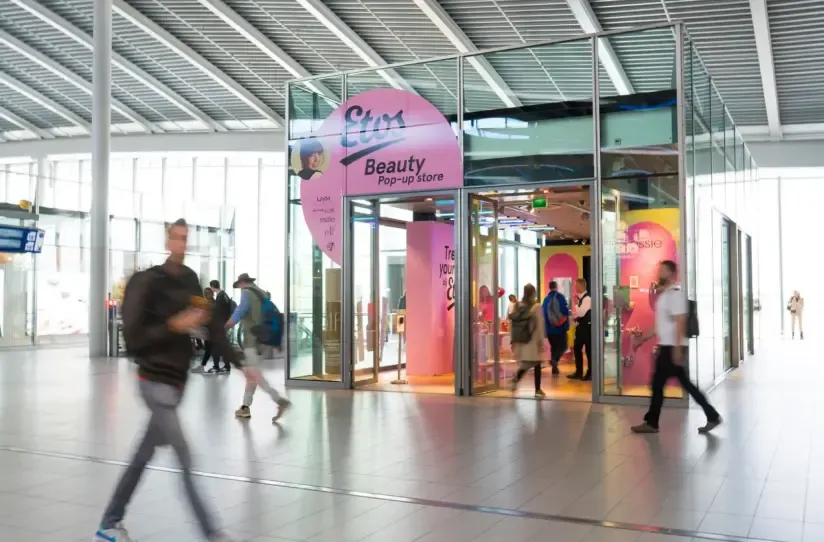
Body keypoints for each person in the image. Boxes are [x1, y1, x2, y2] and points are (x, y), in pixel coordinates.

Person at [94, 219, 241, 542]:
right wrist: (174, 325)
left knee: (143, 455)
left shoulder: (189, 280)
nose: (181, 243)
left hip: (176, 383)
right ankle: (212, 533)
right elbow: (135, 339)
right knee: (184, 453)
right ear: (166, 241)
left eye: (185, 238)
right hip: (154, 381)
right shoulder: (149, 282)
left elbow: (213, 326)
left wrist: (242, 364)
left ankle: (108, 524)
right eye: (176, 237)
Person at [631, 260, 721, 435]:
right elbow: (660, 325)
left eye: (663, 270)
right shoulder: (665, 296)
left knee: (659, 384)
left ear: (672, 273)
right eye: (659, 269)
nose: (659, 272)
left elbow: (680, 321)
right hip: (668, 346)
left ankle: (652, 422)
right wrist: (643, 338)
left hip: (672, 347)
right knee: (680, 384)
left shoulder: (676, 295)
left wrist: (678, 349)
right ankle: (712, 415)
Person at [226, 273, 291, 422]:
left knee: (254, 376)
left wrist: (223, 328)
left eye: (239, 285)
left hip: (252, 341)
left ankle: (280, 401)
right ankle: (245, 407)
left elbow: (239, 313)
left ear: (242, 283)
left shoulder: (247, 293)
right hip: (264, 340)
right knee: (252, 375)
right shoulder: (262, 293)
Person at [509, 284, 546, 398]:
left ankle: (518, 380)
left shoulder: (517, 305)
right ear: (533, 293)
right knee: (535, 363)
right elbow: (540, 325)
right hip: (532, 340)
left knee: (529, 362)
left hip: (521, 339)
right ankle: (537, 389)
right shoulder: (536, 306)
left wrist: (513, 340)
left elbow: (512, 324)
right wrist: (541, 341)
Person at [192, 287, 223, 374]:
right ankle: (205, 366)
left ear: (212, 293)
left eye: (208, 293)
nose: (206, 295)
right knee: (209, 349)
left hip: (213, 330)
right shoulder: (206, 304)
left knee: (212, 348)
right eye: (205, 293)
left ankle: (215, 366)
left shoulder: (214, 304)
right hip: (207, 329)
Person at [542, 281, 570, 376]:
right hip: (560, 328)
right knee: (563, 346)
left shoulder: (546, 299)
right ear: (556, 287)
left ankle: (555, 368)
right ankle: (554, 360)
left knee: (554, 347)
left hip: (549, 329)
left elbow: (543, 314)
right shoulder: (560, 297)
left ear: (549, 287)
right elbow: (565, 311)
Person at [569, 278, 592, 381]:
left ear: (581, 286)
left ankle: (590, 372)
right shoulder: (582, 299)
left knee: (588, 351)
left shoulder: (587, 299)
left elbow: (581, 313)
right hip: (581, 328)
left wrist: (575, 304)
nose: (575, 287)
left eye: (576, 285)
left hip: (586, 329)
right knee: (577, 349)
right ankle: (579, 371)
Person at [211, 279, 236, 371]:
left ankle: (221, 365)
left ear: (212, 286)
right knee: (222, 345)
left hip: (220, 324)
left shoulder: (220, 296)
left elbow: (219, 311)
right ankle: (225, 365)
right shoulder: (224, 295)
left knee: (219, 345)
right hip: (224, 323)